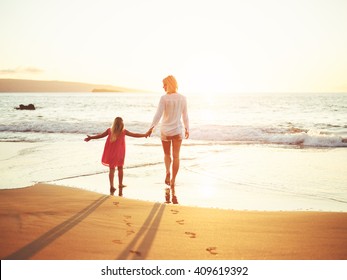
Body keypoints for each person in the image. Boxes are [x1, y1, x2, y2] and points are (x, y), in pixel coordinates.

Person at [85, 117, 152, 195]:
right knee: (120, 168)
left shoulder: (109, 131)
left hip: (110, 153)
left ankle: (111, 186)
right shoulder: (123, 132)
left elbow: (100, 136)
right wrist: (144, 135)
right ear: (122, 124)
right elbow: (135, 135)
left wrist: (91, 138)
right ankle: (120, 184)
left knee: (111, 169)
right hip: (120, 154)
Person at [149, 75, 189, 190]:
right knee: (176, 157)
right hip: (177, 131)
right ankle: (173, 180)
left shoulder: (164, 98)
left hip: (165, 130)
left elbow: (158, 114)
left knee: (167, 155)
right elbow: (185, 115)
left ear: (169, 84)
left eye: (164, 84)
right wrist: (187, 128)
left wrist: (152, 127)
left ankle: (167, 171)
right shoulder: (183, 98)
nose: (163, 87)